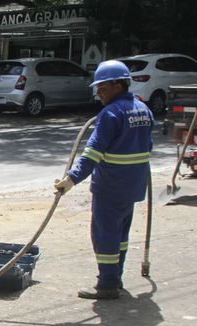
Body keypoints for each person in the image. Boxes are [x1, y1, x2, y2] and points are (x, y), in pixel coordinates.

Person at [54, 59, 153, 300]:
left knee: (104, 234)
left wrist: (71, 180)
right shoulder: (143, 109)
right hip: (132, 187)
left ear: (118, 85)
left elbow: (92, 154)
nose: (98, 93)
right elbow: (146, 146)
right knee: (120, 235)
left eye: (103, 88)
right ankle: (116, 276)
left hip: (110, 186)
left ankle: (107, 284)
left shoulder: (110, 114)